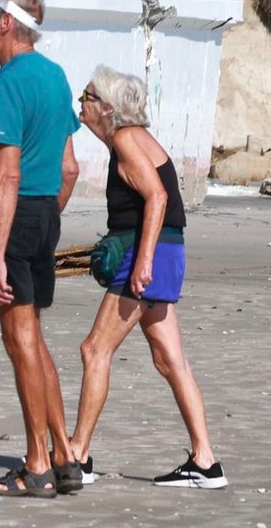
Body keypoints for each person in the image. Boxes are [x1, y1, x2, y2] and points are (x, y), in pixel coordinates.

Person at [65, 65, 227, 489]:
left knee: (93, 350)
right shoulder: (133, 139)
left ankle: (77, 456)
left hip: (149, 254)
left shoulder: (124, 140)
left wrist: (142, 262)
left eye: (86, 95)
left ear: (107, 106)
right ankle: (205, 462)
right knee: (170, 360)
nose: (80, 102)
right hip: (166, 252)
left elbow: (158, 197)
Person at [0, 0, 82, 498]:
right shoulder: (56, 78)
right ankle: (64, 455)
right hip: (43, 215)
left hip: (13, 217)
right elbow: (69, 167)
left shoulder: (11, 82)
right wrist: (44, 221)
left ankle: (36, 464)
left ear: (8, 24)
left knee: (20, 342)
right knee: (33, 337)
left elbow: (7, 175)